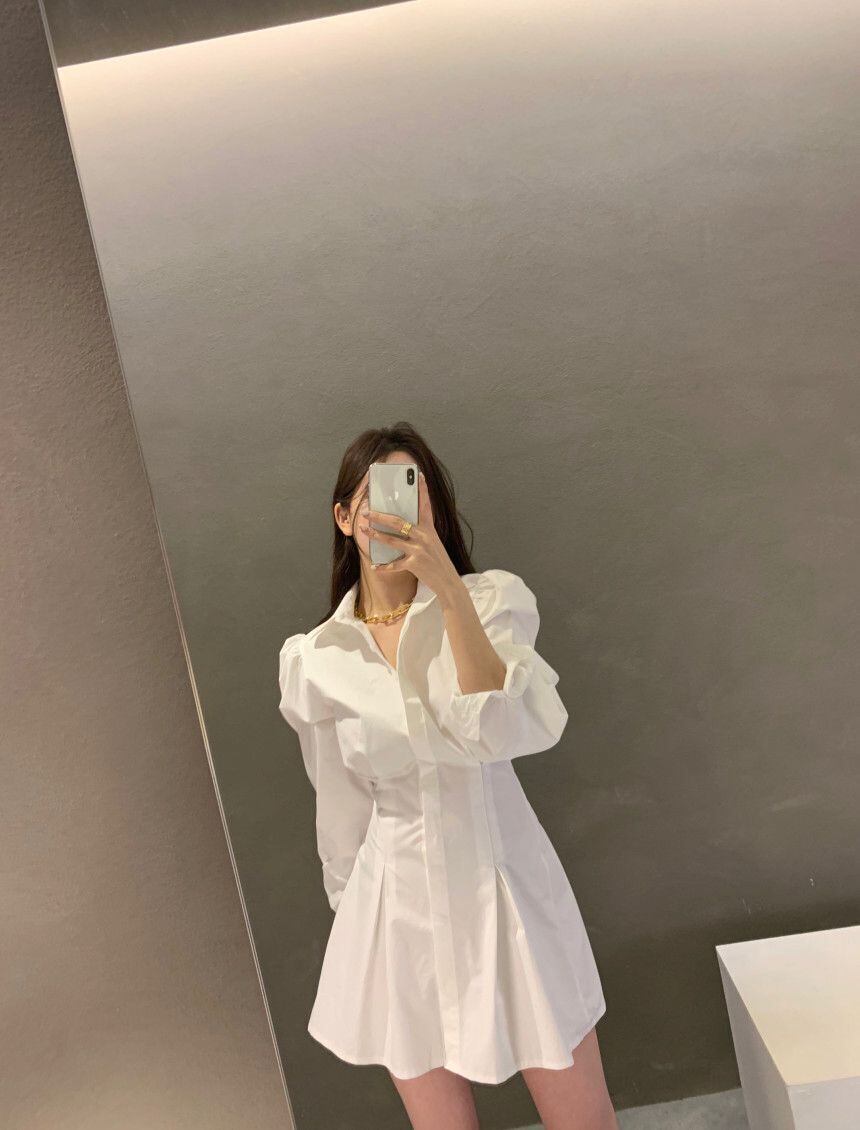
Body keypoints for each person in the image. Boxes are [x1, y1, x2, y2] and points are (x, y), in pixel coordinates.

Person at [278, 423, 618, 1130]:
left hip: (506, 888)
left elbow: (496, 733)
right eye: (373, 497)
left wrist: (446, 589)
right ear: (343, 516)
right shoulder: (316, 659)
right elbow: (338, 801)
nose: (394, 511)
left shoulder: (492, 602)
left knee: (583, 1118)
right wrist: (354, 911)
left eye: (413, 492)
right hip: (395, 907)